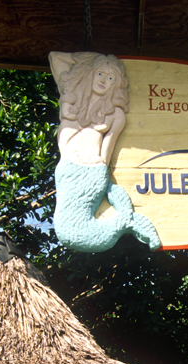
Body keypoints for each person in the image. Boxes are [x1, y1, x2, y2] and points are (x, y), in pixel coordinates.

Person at [49, 51, 161, 252]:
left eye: (110, 79)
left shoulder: (115, 115)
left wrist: (100, 176)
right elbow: (56, 57)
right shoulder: (72, 99)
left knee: (73, 233)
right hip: (66, 169)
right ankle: (126, 219)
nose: (104, 81)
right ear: (90, 73)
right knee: (66, 229)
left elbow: (105, 155)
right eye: (100, 73)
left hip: (91, 170)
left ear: (115, 86)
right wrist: (86, 60)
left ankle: (126, 220)